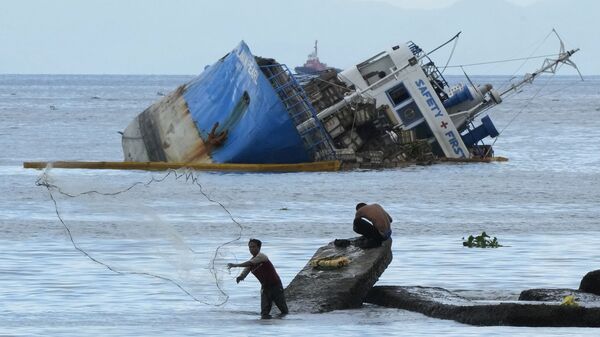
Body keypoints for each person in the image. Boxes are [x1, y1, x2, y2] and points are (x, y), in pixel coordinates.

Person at [227, 238, 289, 319]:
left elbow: (249, 263)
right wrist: (241, 277)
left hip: (275, 286)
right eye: (250, 247)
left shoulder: (262, 256)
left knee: (283, 310)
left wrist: (235, 265)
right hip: (265, 288)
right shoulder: (252, 260)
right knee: (264, 313)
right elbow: (246, 270)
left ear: (259, 247)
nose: (251, 249)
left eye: (253, 247)